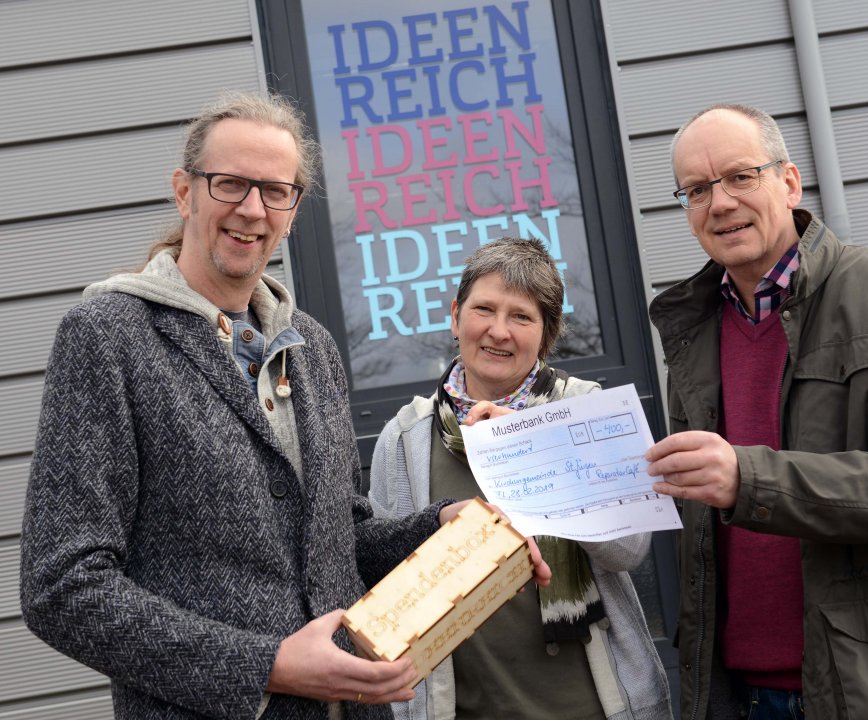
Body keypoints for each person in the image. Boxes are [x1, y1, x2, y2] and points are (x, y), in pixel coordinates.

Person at [19, 92, 549, 720]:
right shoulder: (108, 336)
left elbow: (338, 539)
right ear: (185, 192)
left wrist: (440, 526)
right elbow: (62, 586)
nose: (252, 209)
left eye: (276, 191)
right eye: (231, 184)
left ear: (293, 211)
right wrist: (264, 665)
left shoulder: (312, 347)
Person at [644, 102, 868, 720]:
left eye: (739, 176)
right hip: (744, 695)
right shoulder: (694, 332)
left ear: (788, 181)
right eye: (697, 190)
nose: (720, 202)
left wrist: (746, 479)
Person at [368, 237, 673, 720]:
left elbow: (629, 550)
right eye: (483, 309)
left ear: (546, 333)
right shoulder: (404, 437)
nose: (498, 331)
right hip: (462, 707)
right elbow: (383, 570)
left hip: (590, 706)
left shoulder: (587, 411)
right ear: (454, 315)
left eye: (522, 317)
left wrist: (529, 446)